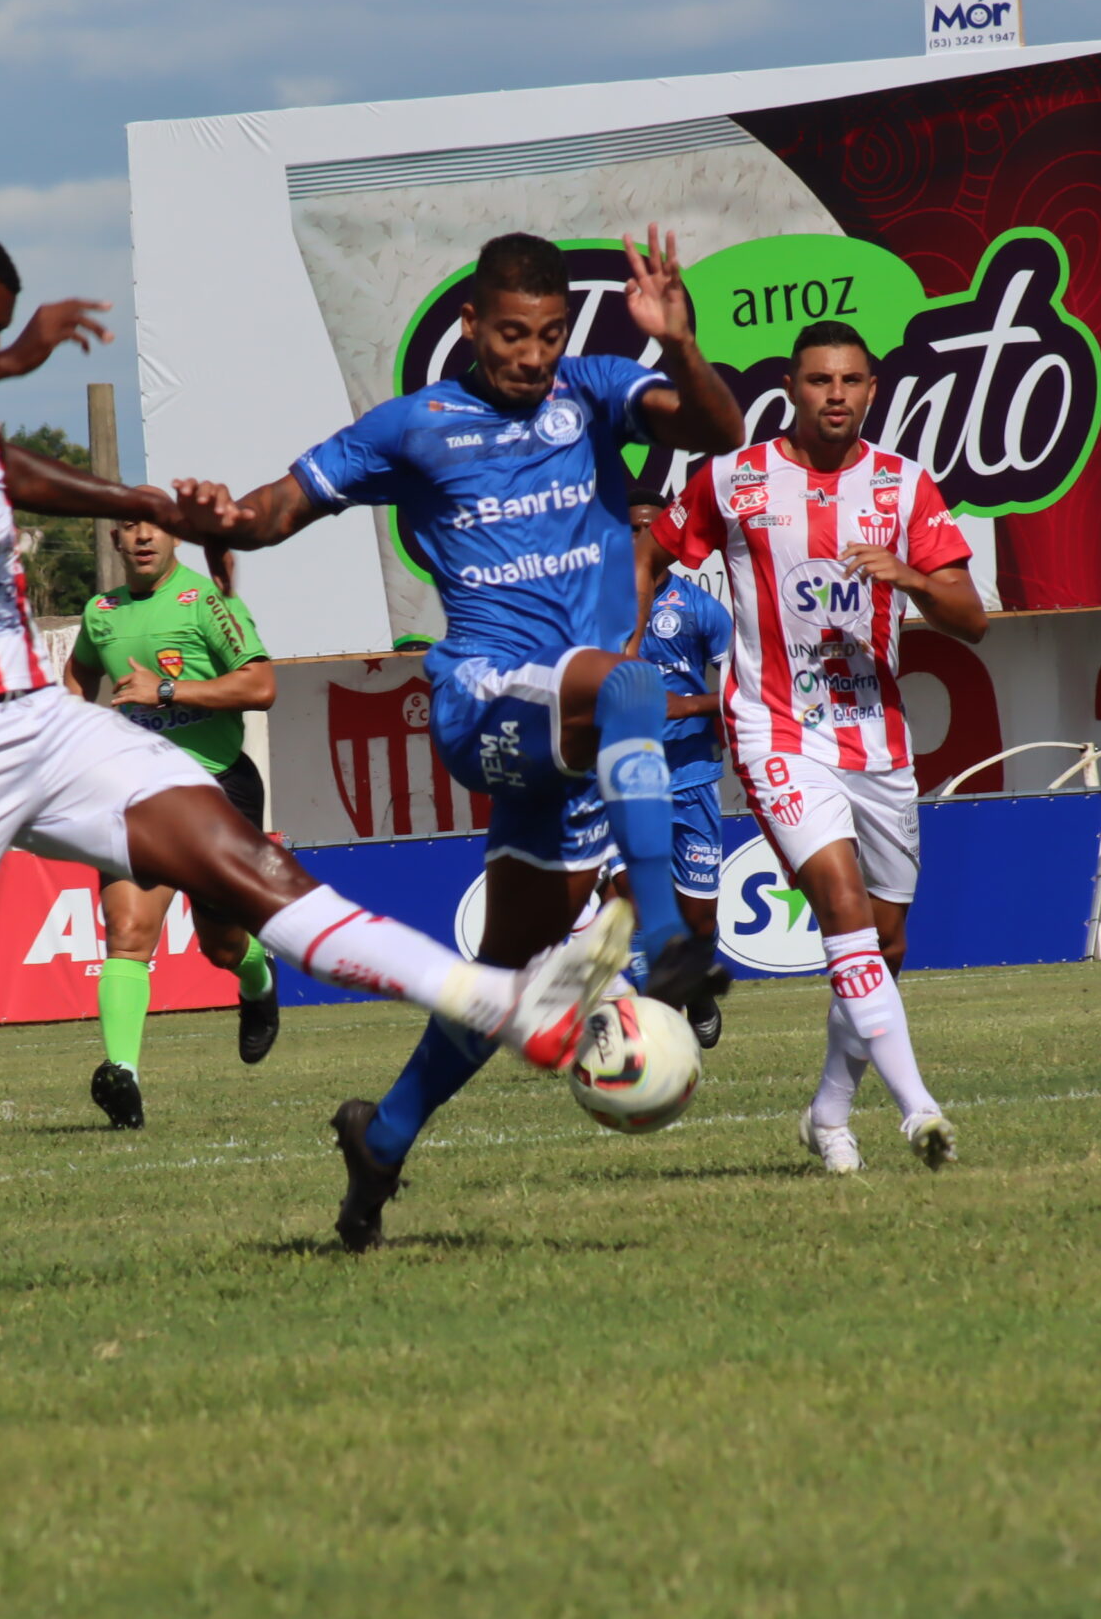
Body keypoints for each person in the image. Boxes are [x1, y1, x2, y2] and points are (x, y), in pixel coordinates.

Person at [0, 219, 633, 1320]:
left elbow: (5, 470)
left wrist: (139, 502)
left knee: (241, 861)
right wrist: (12, 362)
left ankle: (489, 996)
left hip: (40, 718)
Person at [158, 227, 745, 1249]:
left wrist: (681, 345)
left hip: (566, 734)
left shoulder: (597, 391)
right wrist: (222, 515)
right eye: (511, 334)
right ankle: (660, 937)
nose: (531, 356)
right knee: (635, 687)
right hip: (484, 701)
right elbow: (276, 509)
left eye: (550, 335)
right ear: (469, 324)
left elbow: (717, 426)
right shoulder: (413, 428)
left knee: (512, 973)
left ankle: (379, 1144)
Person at [640, 318, 988, 1177]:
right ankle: (921, 1111)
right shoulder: (735, 479)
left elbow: (972, 616)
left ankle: (828, 1112)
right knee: (840, 906)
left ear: (872, 392)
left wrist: (910, 577)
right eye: (819, 380)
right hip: (776, 731)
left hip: (877, 739)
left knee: (888, 942)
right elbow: (647, 550)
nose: (835, 394)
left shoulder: (906, 487)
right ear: (791, 389)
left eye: (851, 381)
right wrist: (615, 644)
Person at [65, 520, 281, 1127]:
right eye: (128, 527)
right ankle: (123, 1081)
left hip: (214, 787)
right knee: (128, 929)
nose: (141, 537)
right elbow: (80, 674)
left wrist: (166, 689)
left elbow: (262, 685)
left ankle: (258, 979)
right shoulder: (100, 612)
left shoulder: (207, 600)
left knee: (220, 945)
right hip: (134, 793)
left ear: (174, 537)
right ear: (114, 542)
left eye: (153, 526)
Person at [619, 500, 735, 1048]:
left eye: (652, 526)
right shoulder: (601, 607)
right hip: (621, 781)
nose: (645, 535)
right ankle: (655, 1034)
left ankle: (697, 990)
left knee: (699, 922)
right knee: (634, 909)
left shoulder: (700, 609)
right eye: (634, 527)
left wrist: (684, 706)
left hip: (690, 779)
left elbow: (751, 689)